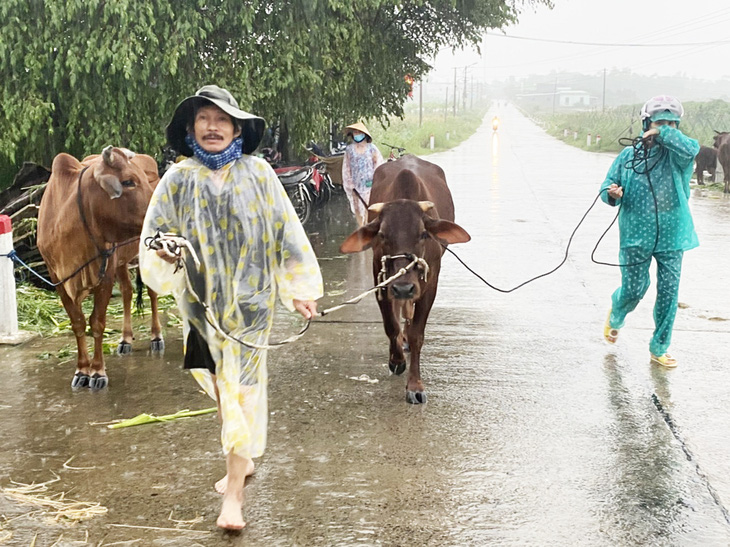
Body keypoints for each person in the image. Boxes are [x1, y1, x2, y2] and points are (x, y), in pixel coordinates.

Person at [139, 85, 323, 530]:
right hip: (200, 311)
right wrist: (164, 252)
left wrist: (300, 288)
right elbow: (154, 234)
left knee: (241, 394)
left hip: (250, 310)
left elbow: (286, 232)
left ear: (237, 128)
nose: (213, 127)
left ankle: (234, 498)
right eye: (204, 119)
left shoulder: (258, 174)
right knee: (221, 393)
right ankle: (240, 455)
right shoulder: (178, 180)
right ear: (191, 129)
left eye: (222, 120)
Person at [601, 95, 699, 368]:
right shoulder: (628, 155)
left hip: (673, 233)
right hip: (635, 233)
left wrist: (663, 132)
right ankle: (618, 311)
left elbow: (692, 149)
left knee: (669, 293)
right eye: (660, 122)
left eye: (672, 123)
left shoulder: (679, 156)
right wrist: (612, 193)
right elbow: (608, 182)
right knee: (635, 288)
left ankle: (659, 346)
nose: (666, 127)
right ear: (646, 122)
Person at [341, 122, 384, 226]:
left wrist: (377, 181)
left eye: (359, 132)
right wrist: (349, 185)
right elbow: (346, 168)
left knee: (370, 210)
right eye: (355, 132)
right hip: (356, 186)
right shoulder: (349, 150)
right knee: (358, 211)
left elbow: (379, 165)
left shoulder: (372, 149)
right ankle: (361, 231)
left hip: (370, 186)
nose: (357, 134)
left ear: (364, 134)